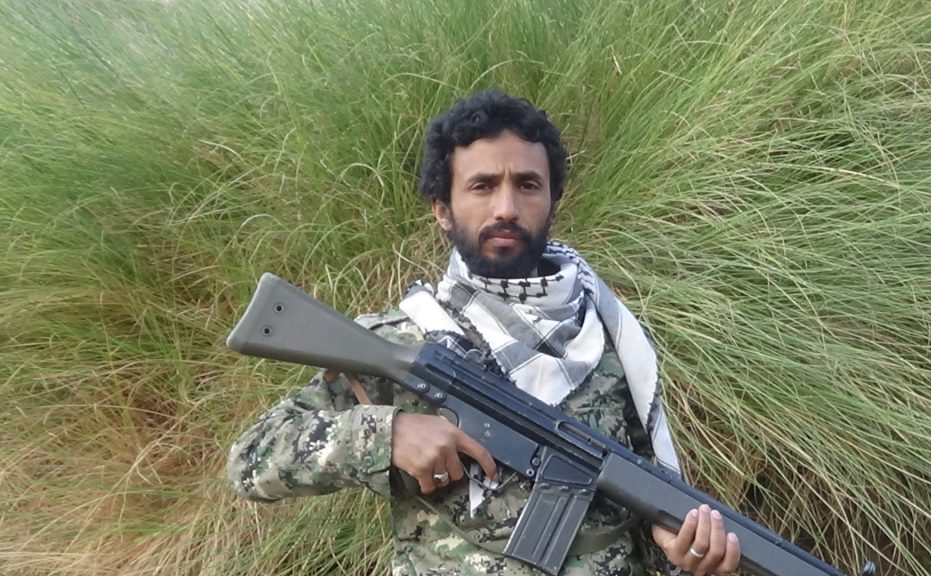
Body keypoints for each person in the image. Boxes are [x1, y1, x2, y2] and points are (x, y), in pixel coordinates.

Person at [226, 90, 741, 575]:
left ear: (552, 200)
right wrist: (387, 434)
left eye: (528, 185)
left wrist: (678, 552)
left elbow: (633, 507)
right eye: (482, 186)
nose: (506, 208)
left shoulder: (610, 337)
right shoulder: (403, 341)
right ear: (442, 210)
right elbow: (251, 459)